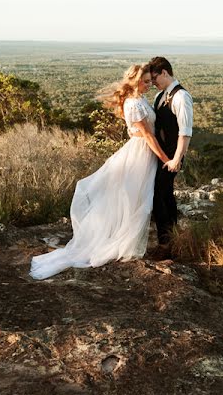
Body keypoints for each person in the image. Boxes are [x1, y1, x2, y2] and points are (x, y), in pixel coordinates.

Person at [29, 64, 171, 280]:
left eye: (150, 81)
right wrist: (165, 159)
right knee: (135, 199)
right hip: (139, 154)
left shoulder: (140, 99)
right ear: (135, 81)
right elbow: (148, 136)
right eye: (145, 81)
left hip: (144, 153)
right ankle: (124, 245)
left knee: (139, 198)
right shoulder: (133, 103)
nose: (149, 84)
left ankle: (128, 242)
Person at [146, 56, 193, 260]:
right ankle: (170, 239)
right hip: (160, 155)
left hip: (171, 157)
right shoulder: (160, 96)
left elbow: (185, 132)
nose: (153, 82)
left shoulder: (181, 97)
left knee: (160, 195)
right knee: (164, 195)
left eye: (154, 78)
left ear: (165, 72)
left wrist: (176, 159)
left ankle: (166, 243)